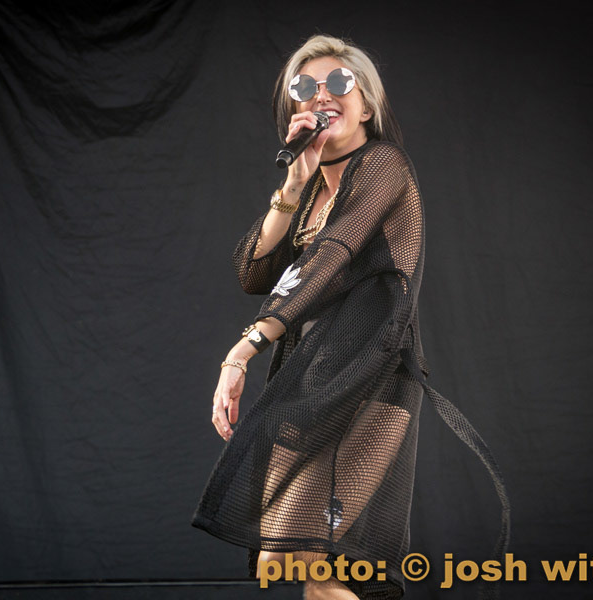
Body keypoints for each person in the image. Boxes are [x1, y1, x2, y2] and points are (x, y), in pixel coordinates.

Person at [192, 34, 508, 600]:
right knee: (297, 567)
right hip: (311, 384)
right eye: (304, 87)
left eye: (339, 82)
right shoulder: (311, 188)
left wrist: (243, 350)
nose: (321, 95)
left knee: (306, 564)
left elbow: (329, 260)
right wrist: (293, 184)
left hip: (369, 381)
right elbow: (254, 272)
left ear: (367, 104)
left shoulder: (384, 166)